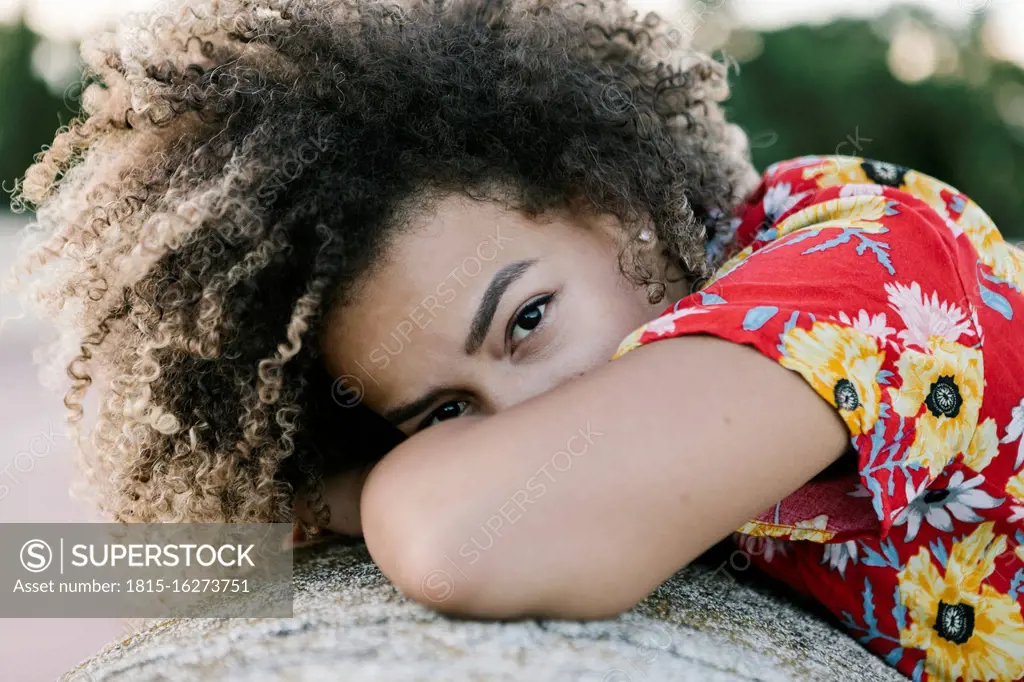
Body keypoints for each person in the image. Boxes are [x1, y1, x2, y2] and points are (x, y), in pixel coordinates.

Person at [10, 0, 1024, 679]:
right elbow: (92, 570)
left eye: (524, 322)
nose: (519, 427)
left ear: (609, 205)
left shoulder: (875, 262)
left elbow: (469, 539)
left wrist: (369, 492)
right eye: (446, 412)